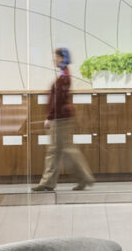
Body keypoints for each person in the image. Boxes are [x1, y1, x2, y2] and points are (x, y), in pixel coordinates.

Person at [33, 47, 95, 192]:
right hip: (61, 117)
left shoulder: (64, 76)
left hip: (59, 118)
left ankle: (52, 182)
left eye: (56, 57)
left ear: (62, 58)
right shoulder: (64, 74)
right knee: (62, 150)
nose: (54, 59)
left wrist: (49, 117)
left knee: (57, 150)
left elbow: (59, 100)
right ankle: (82, 178)